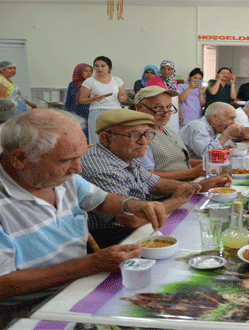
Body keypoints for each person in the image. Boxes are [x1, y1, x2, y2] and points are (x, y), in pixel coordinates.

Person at [0, 109, 167, 329]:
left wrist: (130, 204)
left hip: (77, 289)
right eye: (68, 159)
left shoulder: (60, 176)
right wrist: (91, 264)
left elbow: (100, 200)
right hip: (23, 310)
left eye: (80, 156)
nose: (78, 168)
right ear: (20, 158)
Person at [81, 109, 228, 248]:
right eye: (134, 135)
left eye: (146, 134)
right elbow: (131, 219)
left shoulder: (125, 153)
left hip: (142, 224)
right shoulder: (101, 167)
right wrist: (176, 200)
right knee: (201, 236)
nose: (144, 141)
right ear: (106, 138)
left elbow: (155, 183)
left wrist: (201, 186)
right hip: (115, 238)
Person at [135, 86, 207, 181]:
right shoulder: (139, 137)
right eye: (157, 108)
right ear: (140, 108)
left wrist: (206, 163)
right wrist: (194, 172)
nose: (165, 113)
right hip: (168, 193)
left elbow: (179, 160)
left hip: (186, 186)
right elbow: (147, 177)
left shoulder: (165, 129)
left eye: (168, 107)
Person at [78, 56, 127, 145]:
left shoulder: (117, 80)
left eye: (103, 66)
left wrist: (122, 97)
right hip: (97, 111)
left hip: (115, 111)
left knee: (115, 138)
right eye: (97, 66)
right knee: (96, 138)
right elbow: (81, 100)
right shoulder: (89, 81)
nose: (99, 68)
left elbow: (123, 95)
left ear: (109, 67)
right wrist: (93, 99)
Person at [146, 60, 182, 131]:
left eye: (169, 69)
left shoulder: (174, 81)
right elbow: (147, 95)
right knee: (160, 130)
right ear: (160, 69)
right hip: (159, 110)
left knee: (172, 131)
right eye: (164, 68)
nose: (166, 71)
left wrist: (179, 113)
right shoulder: (154, 79)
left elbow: (176, 99)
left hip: (172, 110)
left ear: (173, 70)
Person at [64, 63, 93, 138]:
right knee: (75, 136)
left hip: (88, 114)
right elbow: (68, 101)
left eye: (90, 71)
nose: (89, 73)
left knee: (88, 137)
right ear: (79, 72)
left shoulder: (93, 84)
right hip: (74, 114)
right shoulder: (72, 84)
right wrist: (66, 115)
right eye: (86, 71)